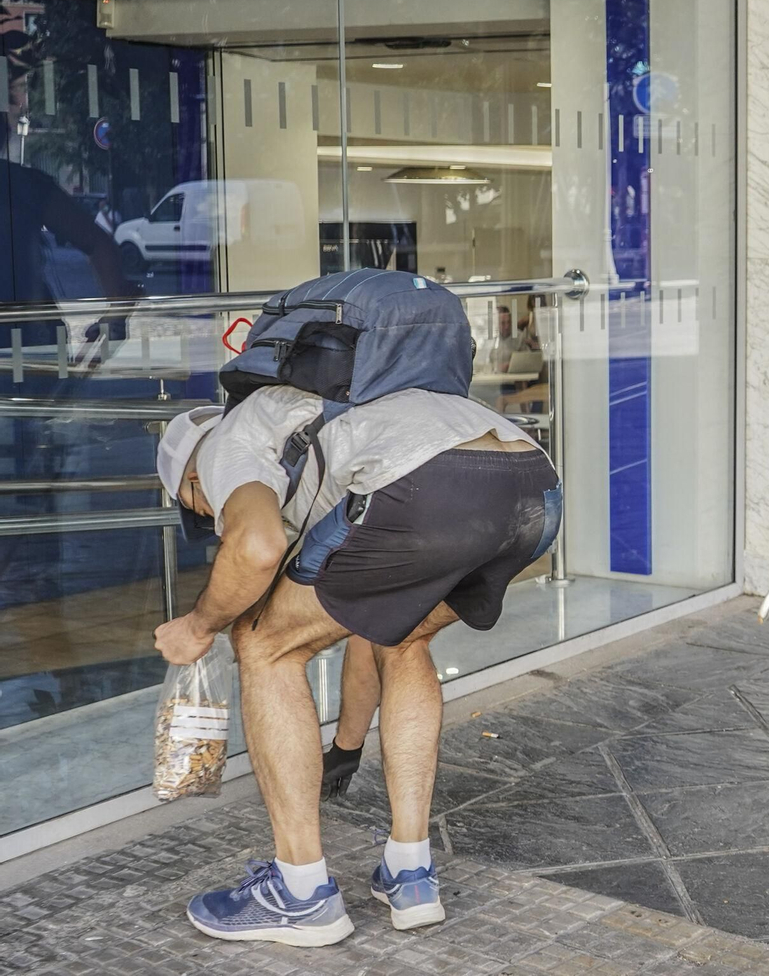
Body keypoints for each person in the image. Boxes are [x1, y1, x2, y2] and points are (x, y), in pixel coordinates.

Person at [152, 385, 562, 948]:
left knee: (264, 646)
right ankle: (410, 873)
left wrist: (198, 627)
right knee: (403, 638)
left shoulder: (225, 442)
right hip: (532, 489)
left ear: (189, 479)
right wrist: (345, 743)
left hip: (426, 484)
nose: (210, 519)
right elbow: (365, 616)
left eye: (198, 509)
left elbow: (256, 546)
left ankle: (302, 895)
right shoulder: (311, 416)